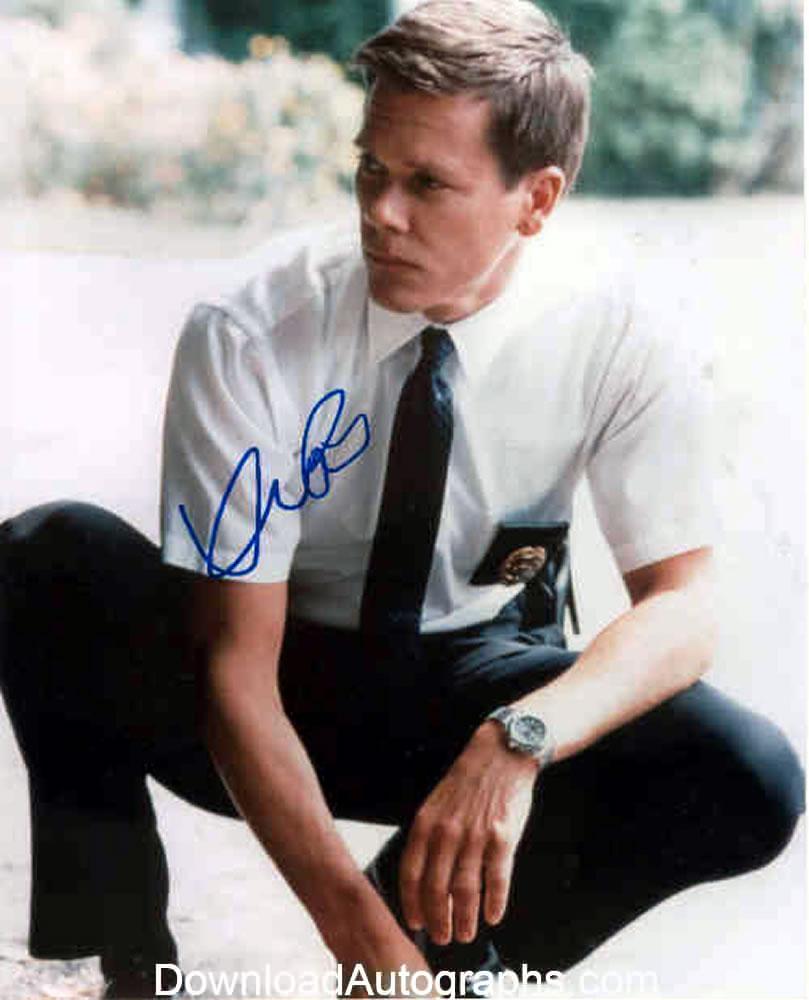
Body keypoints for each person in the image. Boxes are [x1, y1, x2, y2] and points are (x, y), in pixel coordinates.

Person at [0, 1, 804, 997]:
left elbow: (682, 608)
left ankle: (449, 962)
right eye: (369, 169)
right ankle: (133, 960)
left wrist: (517, 741)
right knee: (49, 554)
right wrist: (356, 933)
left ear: (535, 200)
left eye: (427, 184)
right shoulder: (251, 330)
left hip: (465, 691)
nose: (381, 212)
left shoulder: (619, 331)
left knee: (747, 772)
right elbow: (231, 669)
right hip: (260, 686)